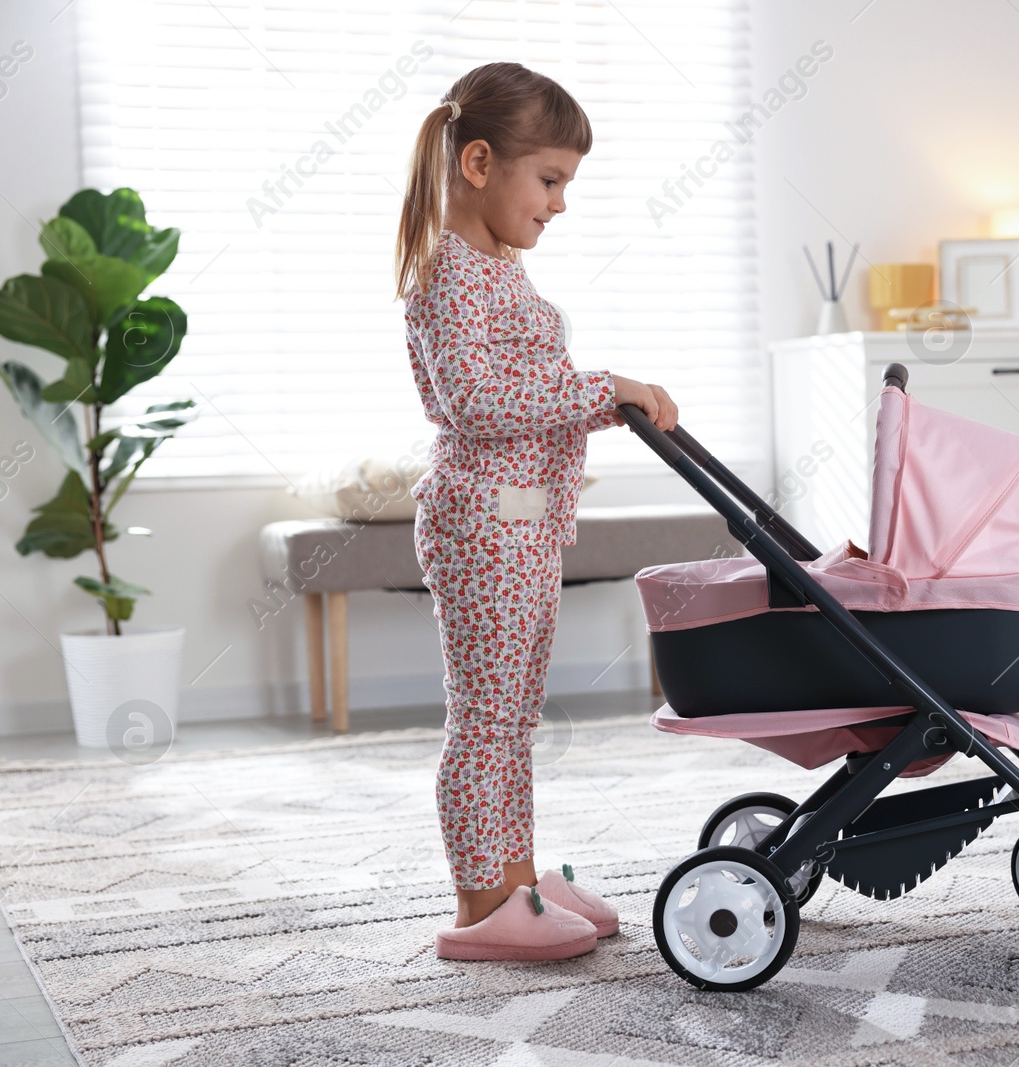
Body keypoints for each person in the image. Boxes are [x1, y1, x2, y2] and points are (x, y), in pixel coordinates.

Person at [393, 61, 678, 961]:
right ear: (479, 163)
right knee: (486, 716)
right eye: (549, 179)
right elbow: (480, 398)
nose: (559, 203)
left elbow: (523, 381)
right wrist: (603, 389)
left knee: (514, 716)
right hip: (483, 520)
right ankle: (484, 906)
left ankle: (514, 879)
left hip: (522, 522)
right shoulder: (448, 273)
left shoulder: (497, 269)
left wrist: (595, 399)